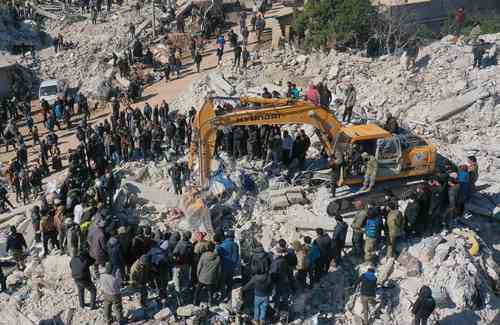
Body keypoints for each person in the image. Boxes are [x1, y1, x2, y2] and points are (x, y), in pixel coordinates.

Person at [193, 242, 221, 306]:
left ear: (207, 248)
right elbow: (219, 271)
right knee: (210, 292)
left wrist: (198, 275)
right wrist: (216, 279)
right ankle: (210, 302)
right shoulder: (218, 258)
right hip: (211, 279)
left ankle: (195, 301)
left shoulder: (204, 255)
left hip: (202, 277)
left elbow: (199, 267)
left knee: (197, 291)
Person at [216, 230, 240, 302]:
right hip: (232, 267)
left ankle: (223, 296)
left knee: (222, 282)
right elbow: (236, 256)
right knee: (230, 281)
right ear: (233, 237)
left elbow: (218, 254)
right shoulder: (235, 245)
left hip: (224, 266)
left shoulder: (222, 245)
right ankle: (229, 295)